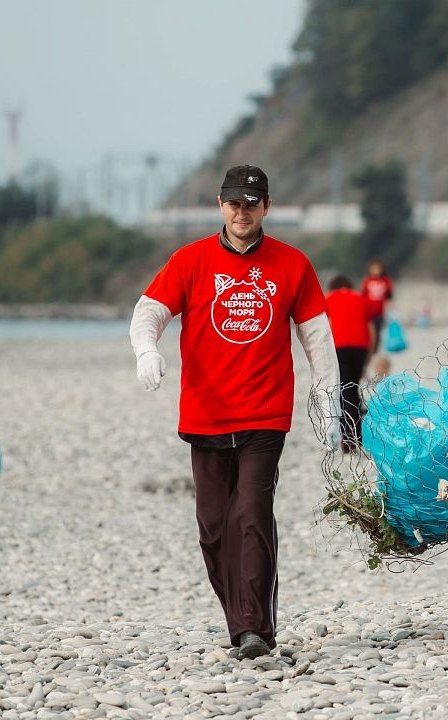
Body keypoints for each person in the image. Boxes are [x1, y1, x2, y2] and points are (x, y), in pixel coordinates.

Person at [129, 164, 340, 660]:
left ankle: (254, 629)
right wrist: (147, 351)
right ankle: (242, 616)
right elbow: (149, 311)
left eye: (251, 203)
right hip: (205, 414)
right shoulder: (191, 260)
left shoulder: (291, 264)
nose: (242, 212)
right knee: (213, 527)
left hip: (265, 414)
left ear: (266, 207)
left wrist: (331, 400)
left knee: (252, 513)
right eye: (233, 203)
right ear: (220, 205)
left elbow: (318, 335)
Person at [325, 274, 374, 452]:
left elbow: (325, 327)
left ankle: (350, 438)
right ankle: (356, 435)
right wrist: (369, 354)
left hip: (339, 347)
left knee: (344, 391)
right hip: (360, 347)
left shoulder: (328, 298)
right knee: (352, 388)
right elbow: (371, 328)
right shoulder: (360, 298)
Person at [360, 259, 393, 353]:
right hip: (368, 310)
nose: (376, 271)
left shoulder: (386, 281)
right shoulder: (367, 281)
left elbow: (389, 296)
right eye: (373, 269)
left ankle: (375, 350)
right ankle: (368, 348)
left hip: (379, 311)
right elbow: (362, 295)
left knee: (378, 331)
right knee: (368, 331)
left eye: (378, 268)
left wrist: (391, 310)